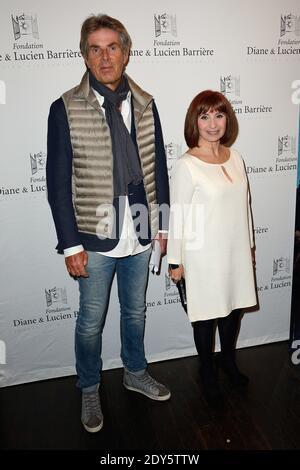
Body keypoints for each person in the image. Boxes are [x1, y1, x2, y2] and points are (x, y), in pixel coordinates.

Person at [46, 14, 170, 433]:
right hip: (93, 237)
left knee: (135, 313)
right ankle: (89, 388)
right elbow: (58, 182)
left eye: (112, 47)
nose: (105, 57)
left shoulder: (145, 103)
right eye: (95, 49)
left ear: (126, 51)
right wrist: (70, 245)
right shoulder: (64, 108)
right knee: (91, 320)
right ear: (84, 55)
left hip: (139, 228)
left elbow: (160, 169)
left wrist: (163, 225)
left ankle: (134, 372)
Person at [167, 90, 257, 406]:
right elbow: (177, 214)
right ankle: (208, 372)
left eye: (218, 115)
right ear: (195, 121)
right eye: (204, 116)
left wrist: (250, 246)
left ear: (227, 119)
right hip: (202, 256)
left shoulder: (237, 158)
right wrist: (175, 261)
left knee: (233, 311)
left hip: (235, 253)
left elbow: (244, 206)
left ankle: (228, 362)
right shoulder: (186, 165)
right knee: (206, 318)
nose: (212, 123)